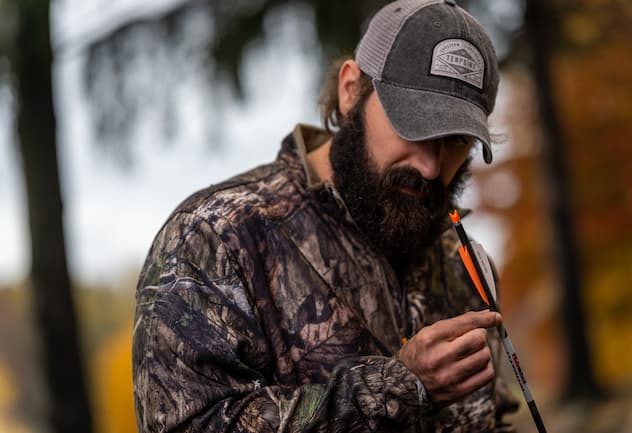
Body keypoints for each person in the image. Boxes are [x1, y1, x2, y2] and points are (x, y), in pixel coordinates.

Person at [132, 0, 520, 431]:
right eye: (414, 126)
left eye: (456, 141)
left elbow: (491, 414)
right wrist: (394, 388)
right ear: (351, 89)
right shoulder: (215, 237)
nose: (430, 166)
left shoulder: (460, 263)